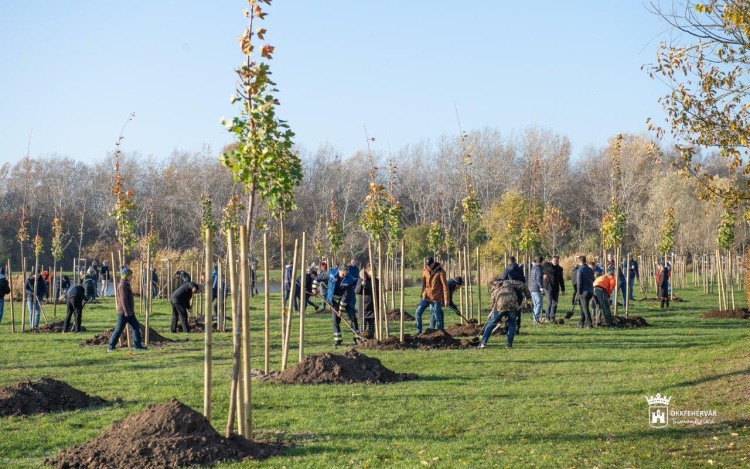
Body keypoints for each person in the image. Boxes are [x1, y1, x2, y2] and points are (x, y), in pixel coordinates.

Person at [478, 276, 531, 349]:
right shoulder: (509, 282)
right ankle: (509, 344)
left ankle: (483, 343)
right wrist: (528, 296)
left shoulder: (494, 290)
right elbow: (523, 285)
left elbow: (493, 303)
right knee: (512, 324)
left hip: (500, 307)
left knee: (491, 324)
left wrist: (493, 314)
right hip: (513, 305)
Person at [108, 267, 147, 352]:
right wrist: (126, 312)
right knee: (119, 329)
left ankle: (138, 346)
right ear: (126, 276)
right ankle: (111, 347)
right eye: (130, 275)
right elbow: (123, 300)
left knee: (136, 327)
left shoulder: (126, 284)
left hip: (130, 312)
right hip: (124, 312)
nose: (132, 276)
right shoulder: (122, 286)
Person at [414, 257, 449, 335]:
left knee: (437, 316)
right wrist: (422, 294)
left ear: (433, 263)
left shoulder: (441, 272)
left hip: (436, 298)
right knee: (418, 312)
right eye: (427, 265)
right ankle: (418, 331)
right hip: (426, 297)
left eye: (429, 265)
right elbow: (423, 283)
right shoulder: (425, 270)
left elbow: (445, 286)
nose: (428, 267)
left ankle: (440, 333)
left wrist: (446, 299)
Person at [327, 265, 359, 346]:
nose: (345, 274)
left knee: (353, 317)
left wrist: (340, 310)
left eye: (346, 273)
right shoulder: (331, 274)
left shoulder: (349, 280)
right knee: (335, 319)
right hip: (335, 299)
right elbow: (320, 277)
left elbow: (345, 297)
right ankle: (338, 340)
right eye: (343, 273)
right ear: (338, 270)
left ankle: (357, 338)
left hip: (348, 299)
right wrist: (314, 287)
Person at [500, 256, 526, 334]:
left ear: (508, 262)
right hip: (518, 293)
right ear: (515, 261)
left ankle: (506, 327)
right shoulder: (520, 269)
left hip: (509, 293)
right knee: (517, 310)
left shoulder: (507, 270)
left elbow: (503, 280)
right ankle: (517, 328)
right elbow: (523, 280)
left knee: (507, 310)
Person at [355, 264, 378, 334]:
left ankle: (371, 340)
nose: (373, 273)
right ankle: (362, 340)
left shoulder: (376, 280)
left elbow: (378, 291)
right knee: (363, 328)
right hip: (364, 308)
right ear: (368, 271)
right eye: (371, 271)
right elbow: (357, 291)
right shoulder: (362, 279)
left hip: (373, 307)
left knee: (371, 327)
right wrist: (362, 284)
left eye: (374, 271)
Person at [542, 256, 565, 322]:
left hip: (556, 287)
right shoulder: (547, 266)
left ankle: (552, 317)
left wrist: (563, 289)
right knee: (549, 302)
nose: (555, 261)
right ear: (551, 260)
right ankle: (547, 317)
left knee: (555, 303)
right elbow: (541, 268)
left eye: (557, 260)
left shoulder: (560, 269)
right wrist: (544, 274)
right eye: (554, 260)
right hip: (548, 287)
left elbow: (561, 279)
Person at [575, 256, 595, 328]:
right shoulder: (590, 269)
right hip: (590, 290)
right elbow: (593, 279)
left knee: (585, 309)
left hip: (583, 291)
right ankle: (581, 323)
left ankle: (590, 324)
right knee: (583, 307)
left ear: (579, 261)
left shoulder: (580, 270)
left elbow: (579, 282)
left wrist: (578, 292)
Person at [529, 257, 544, 324]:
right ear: (541, 261)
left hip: (532, 288)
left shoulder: (533, 268)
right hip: (536, 288)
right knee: (539, 304)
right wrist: (541, 287)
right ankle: (536, 319)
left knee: (535, 304)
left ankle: (535, 318)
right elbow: (538, 279)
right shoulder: (538, 269)